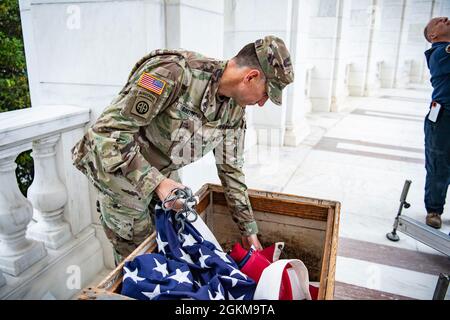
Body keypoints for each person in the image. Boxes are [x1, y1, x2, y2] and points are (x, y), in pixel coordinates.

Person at [71, 36, 294, 264]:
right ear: (251, 77)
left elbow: (232, 170)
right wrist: (157, 183)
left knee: (172, 247)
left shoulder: (235, 110)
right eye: (266, 93)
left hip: (162, 174)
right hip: (120, 173)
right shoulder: (172, 72)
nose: (262, 102)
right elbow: (107, 133)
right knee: (142, 261)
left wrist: (249, 231)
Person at [422, 17, 450, 229]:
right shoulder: (440, 53)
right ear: (433, 36)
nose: (446, 19)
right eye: (439, 22)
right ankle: (434, 209)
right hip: (443, 118)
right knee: (438, 165)